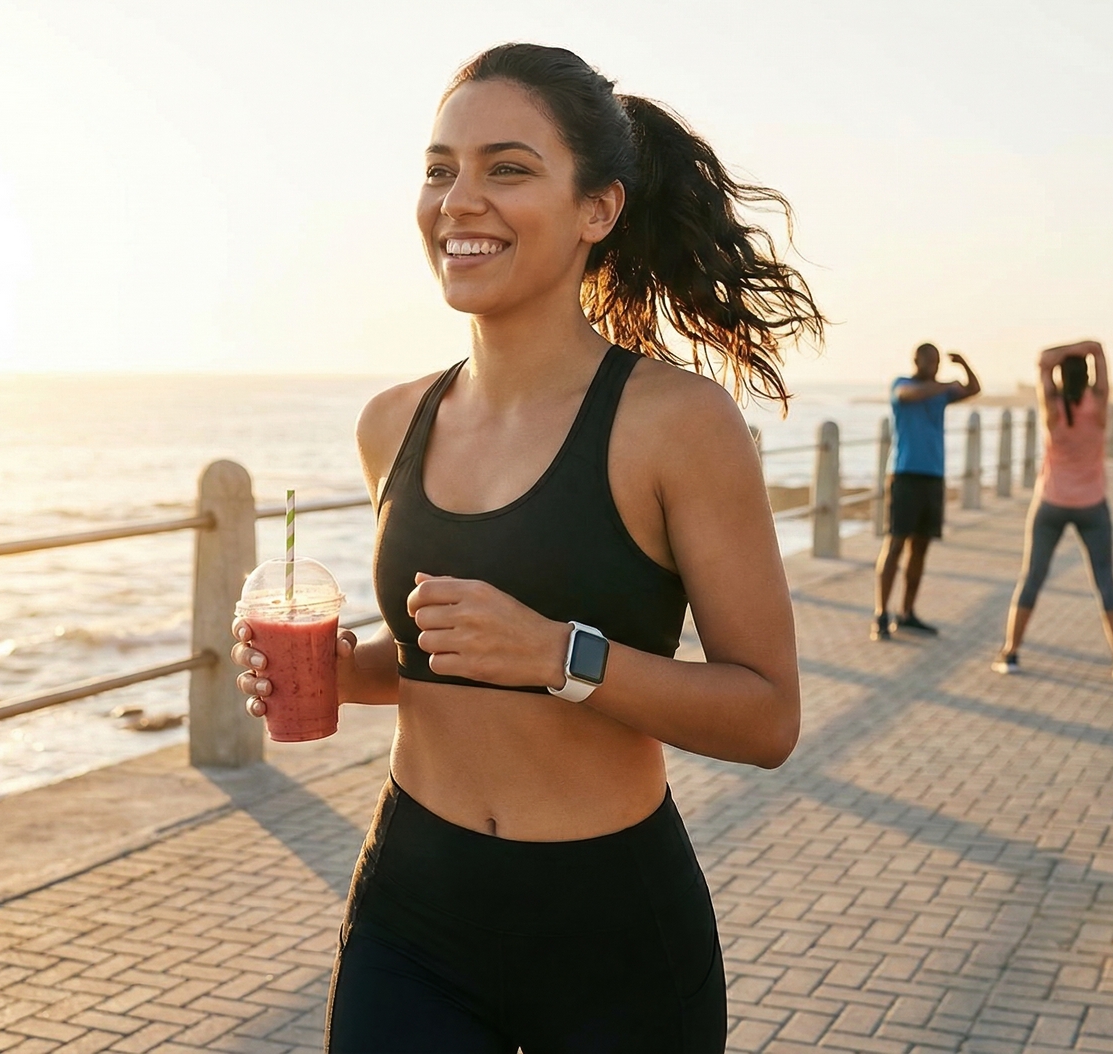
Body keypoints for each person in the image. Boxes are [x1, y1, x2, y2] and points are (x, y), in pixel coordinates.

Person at [230, 43, 821, 1052]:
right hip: (410, 915)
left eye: (507, 167)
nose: (460, 198)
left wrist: (562, 655)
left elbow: (765, 717)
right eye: (438, 168)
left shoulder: (674, 423)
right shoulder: (392, 423)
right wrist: (338, 671)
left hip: (612, 935)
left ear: (598, 209)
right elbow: (432, 659)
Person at [992, 341, 1113, 678]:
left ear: (1058, 377)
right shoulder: (1097, 405)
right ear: (1088, 377)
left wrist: (1059, 357)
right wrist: (1083, 350)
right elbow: (1099, 348)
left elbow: (1041, 361)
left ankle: (1010, 652)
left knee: (1032, 578)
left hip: (1051, 503)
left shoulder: (1052, 409)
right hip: (1092, 505)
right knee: (1106, 581)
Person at [871, 342, 980, 639]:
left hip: (933, 476)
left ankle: (906, 613)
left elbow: (973, 389)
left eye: (936, 360)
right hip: (905, 475)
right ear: (916, 359)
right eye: (927, 359)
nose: (932, 364)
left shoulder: (941, 394)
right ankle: (881, 613)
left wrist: (964, 363)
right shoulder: (904, 385)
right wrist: (944, 384)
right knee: (895, 544)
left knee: (921, 546)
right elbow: (908, 395)